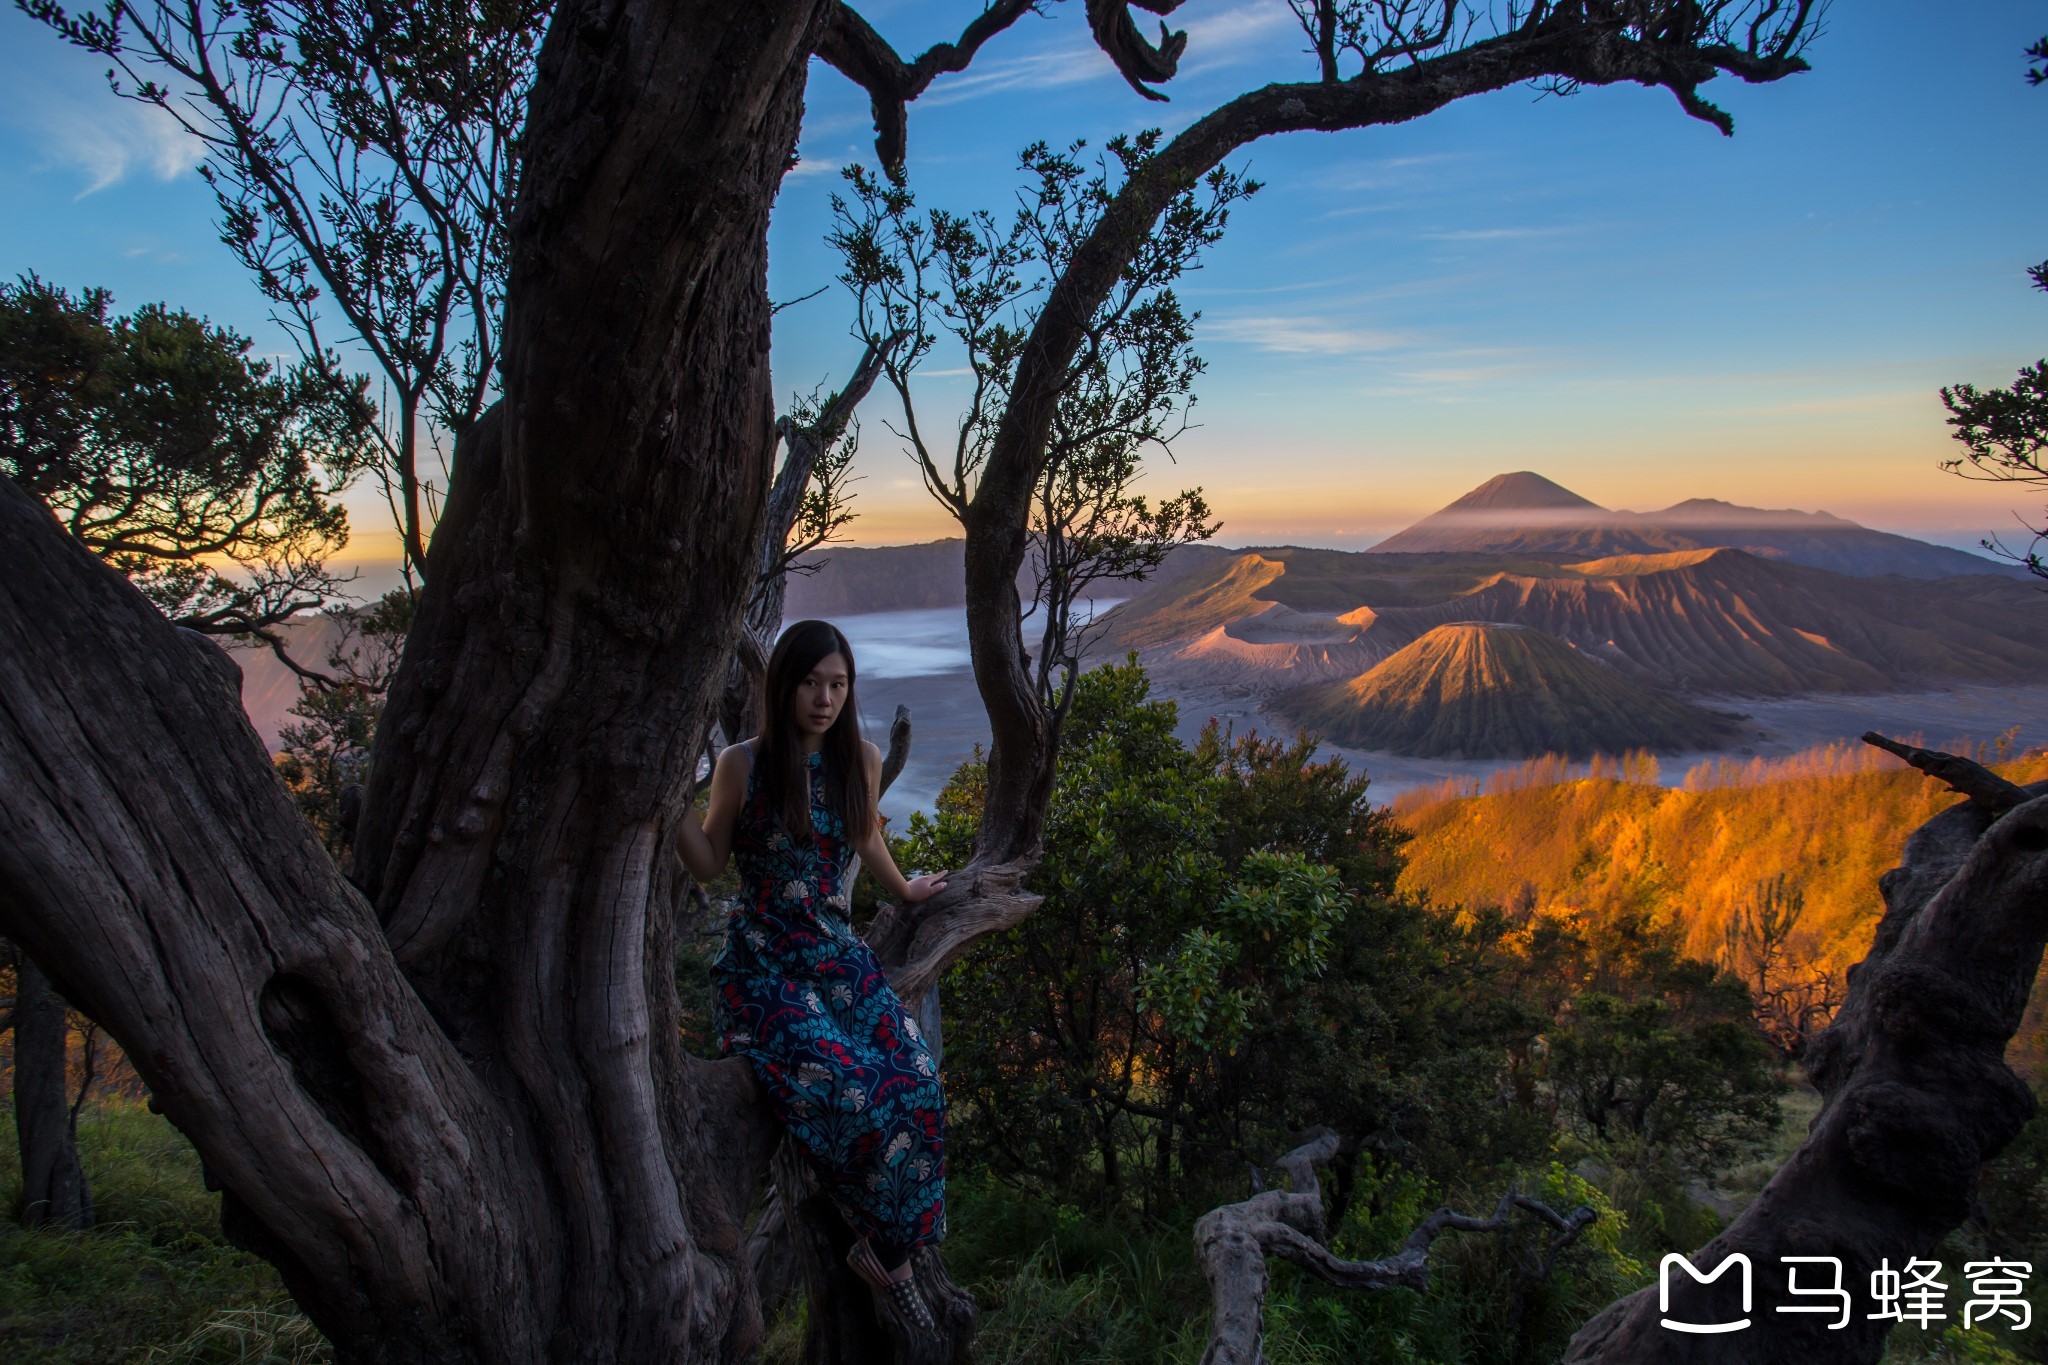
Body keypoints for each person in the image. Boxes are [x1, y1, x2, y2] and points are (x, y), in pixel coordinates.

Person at [676, 618, 950, 1330]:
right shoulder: (743, 764)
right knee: (851, 1093)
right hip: (764, 963)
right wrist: (667, 799)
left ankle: (890, 1251)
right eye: (809, 682)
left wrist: (906, 889)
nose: (824, 697)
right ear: (782, 685)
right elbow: (709, 861)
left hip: (835, 955)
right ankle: (884, 1250)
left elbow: (865, 836)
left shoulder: (857, 756)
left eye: (838, 684)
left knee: (918, 1078)